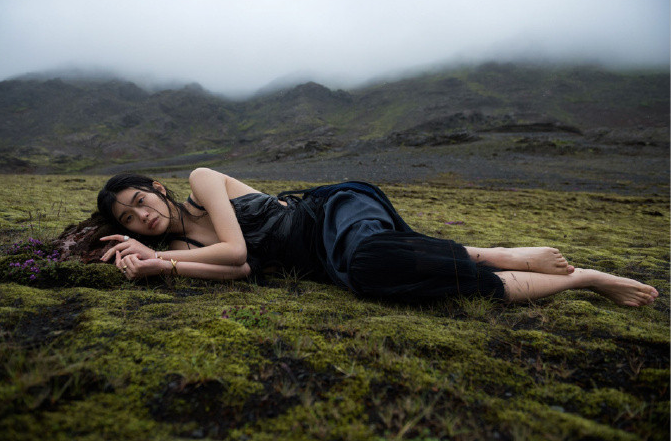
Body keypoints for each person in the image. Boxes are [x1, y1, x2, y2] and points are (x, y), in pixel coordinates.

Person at [96, 168, 658, 307]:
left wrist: (160, 262)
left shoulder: (200, 183)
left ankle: (506, 253)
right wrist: (158, 265)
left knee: (369, 253)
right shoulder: (181, 252)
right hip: (331, 262)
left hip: (333, 212)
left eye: (140, 200)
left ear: (158, 189)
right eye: (128, 220)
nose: (141, 217)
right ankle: (582, 280)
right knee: (375, 277)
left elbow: (238, 249)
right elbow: (239, 272)